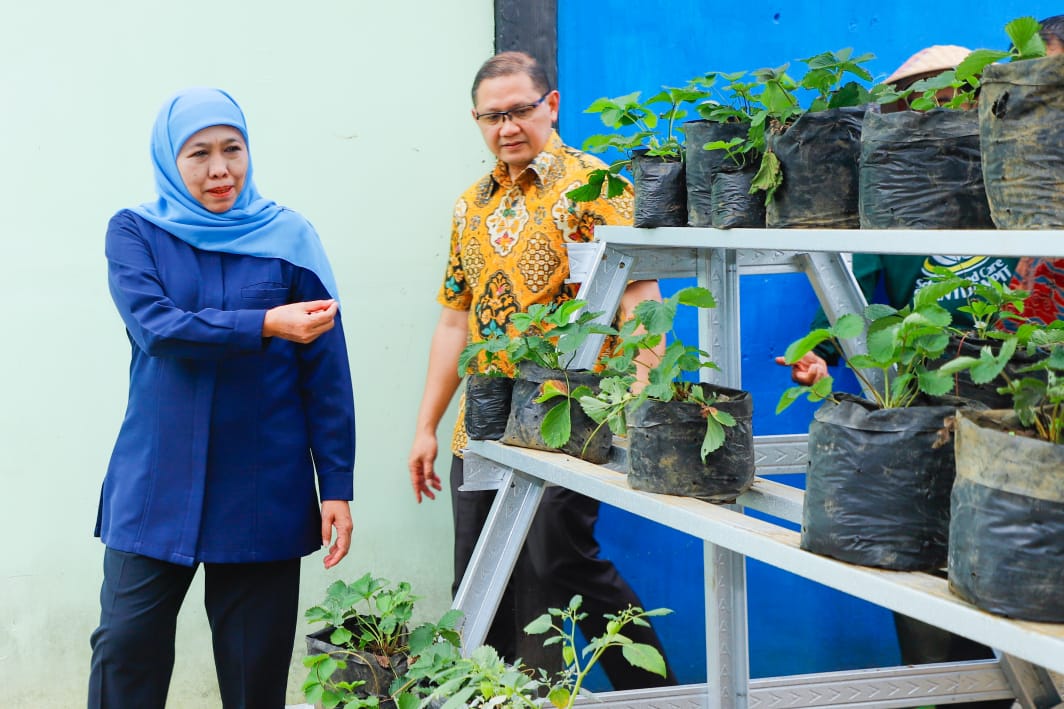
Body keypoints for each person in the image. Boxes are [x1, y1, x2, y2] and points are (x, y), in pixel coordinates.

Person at [407, 51, 676, 688]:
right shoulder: (470, 206)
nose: (506, 127)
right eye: (491, 116)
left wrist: (639, 404)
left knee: (559, 561)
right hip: (482, 427)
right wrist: (426, 427)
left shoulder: (595, 187)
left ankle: (661, 695)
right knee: (481, 578)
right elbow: (455, 322)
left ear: (551, 106)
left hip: (570, 420)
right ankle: (503, 699)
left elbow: (640, 301)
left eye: (519, 111)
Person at [89, 87, 356, 709]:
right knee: (125, 648)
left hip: (261, 484)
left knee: (252, 671)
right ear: (169, 159)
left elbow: (325, 374)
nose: (220, 170)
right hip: (155, 483)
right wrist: (264, 324)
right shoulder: (136, 232)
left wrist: (336, 485)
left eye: (232, 149)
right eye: (199, 154)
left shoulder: (290, 238)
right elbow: (157, 328)